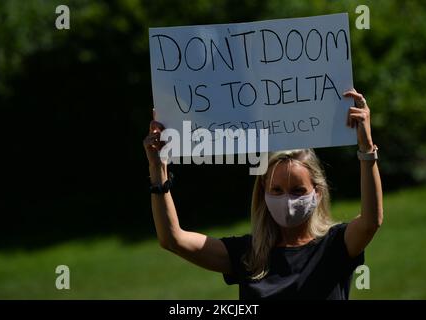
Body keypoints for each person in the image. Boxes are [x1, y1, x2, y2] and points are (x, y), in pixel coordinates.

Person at [143, 89, 383, 300]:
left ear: (318, 193)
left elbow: (371, 221)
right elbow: (172, 239)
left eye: (298, 190)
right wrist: (158, 169)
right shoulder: (248, 254)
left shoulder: (335, 245)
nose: (287, 199)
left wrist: (366, 148)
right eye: (277, 190)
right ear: (263, 192)